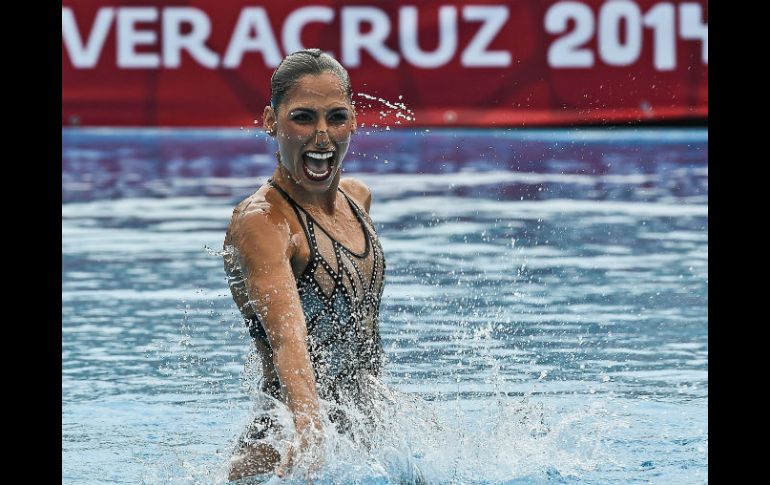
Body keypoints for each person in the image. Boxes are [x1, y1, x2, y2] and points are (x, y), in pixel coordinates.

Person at [222, 49, 387, 481]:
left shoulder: (358, 199)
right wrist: (310, 428)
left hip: (362, 432)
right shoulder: (263, 223)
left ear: (355, 120)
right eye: (302, 117)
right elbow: (287, 339)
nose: (321, 135)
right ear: (270, 122)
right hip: (282, 448)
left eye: (336, 117)